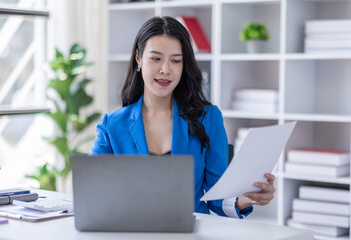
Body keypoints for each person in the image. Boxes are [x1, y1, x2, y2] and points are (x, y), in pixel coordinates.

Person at [90, 16, 275, 218]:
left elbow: (218, 197)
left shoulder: (208, 118)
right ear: (139, 58)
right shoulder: (112, 125)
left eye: (176, 60)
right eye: (156, 58)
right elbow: (92, 192)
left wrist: (245, 200)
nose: (165, 69)